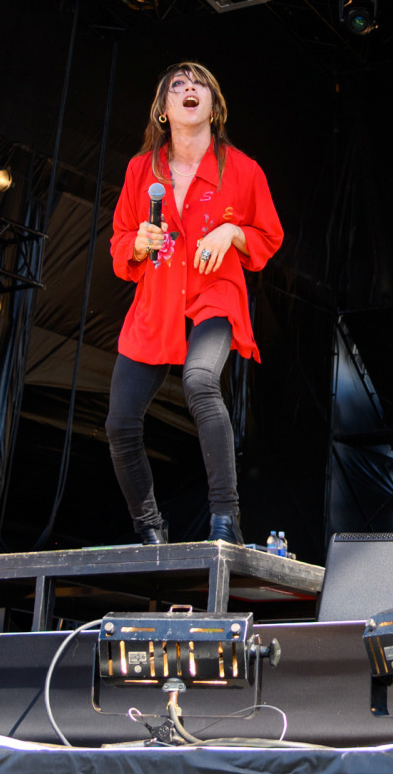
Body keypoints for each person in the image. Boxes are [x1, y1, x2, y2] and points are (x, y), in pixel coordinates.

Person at [107, 62, 283, 546]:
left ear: (214, 105)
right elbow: (120, 244)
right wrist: (139, 243)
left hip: (214, 294)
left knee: (201, 380)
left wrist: (232, 231)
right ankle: (149, 529)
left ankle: (225, 519)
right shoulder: (141, 170)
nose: (189, 89)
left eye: (199, 84)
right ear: (163, 110)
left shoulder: (243, 170)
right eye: (178, 86)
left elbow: (268, 238)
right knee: (120, 422)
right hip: (157, 302)